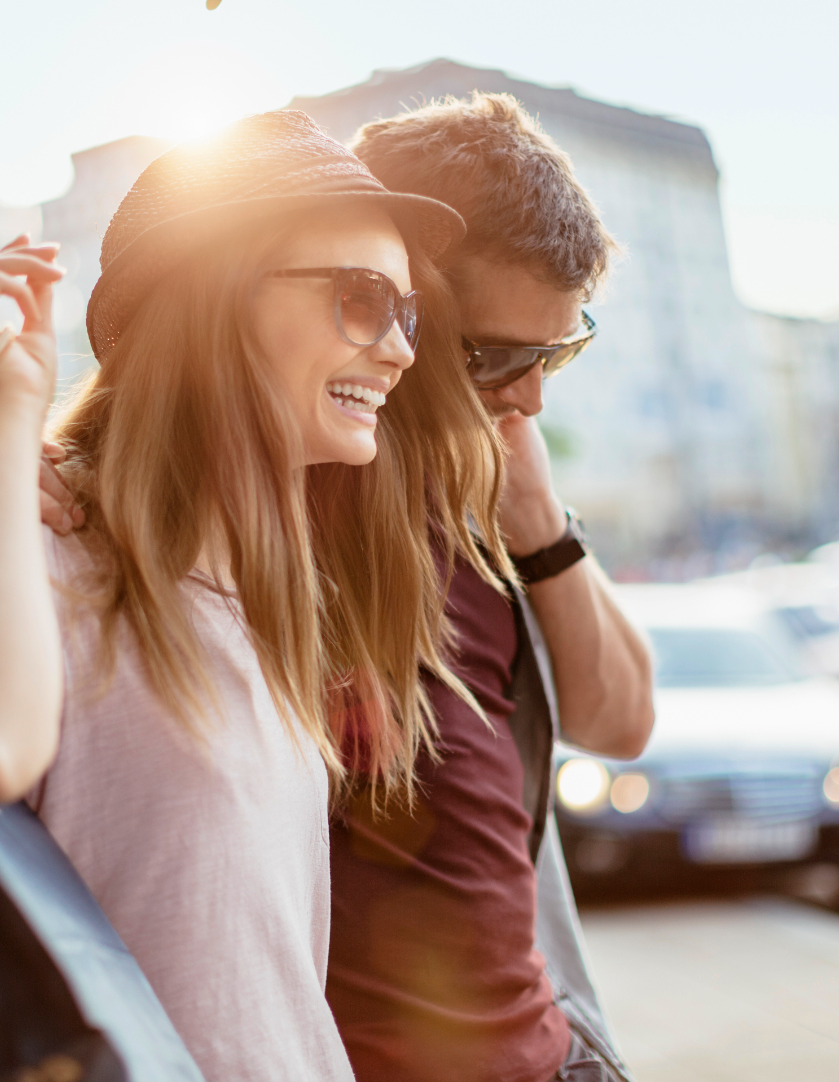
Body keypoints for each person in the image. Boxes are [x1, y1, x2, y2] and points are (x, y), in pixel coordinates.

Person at [0, 110, 507, 1082]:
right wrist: (19, 402)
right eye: (363, 298)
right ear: (217, 300)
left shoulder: (269, 597)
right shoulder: (62, 546)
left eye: (406, 312)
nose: (400, 350)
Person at [320, 94, 657, 1082]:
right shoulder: (278, 495)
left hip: (548, 1046)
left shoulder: (485, 494)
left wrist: (541, 529)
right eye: (499, 355)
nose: (532, 396)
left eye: (559, 349)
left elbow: (619, 719)